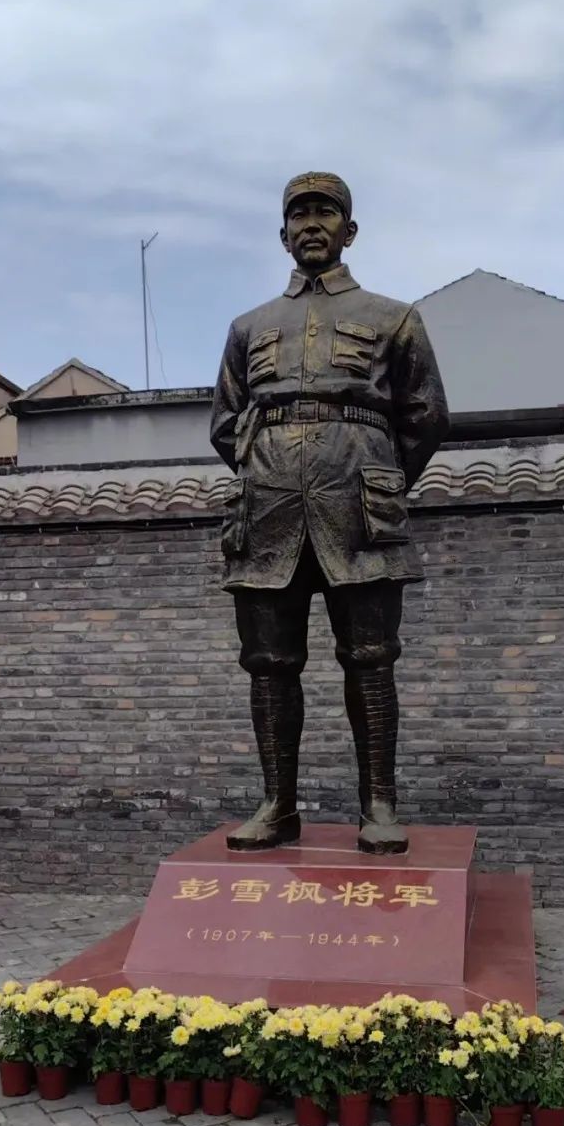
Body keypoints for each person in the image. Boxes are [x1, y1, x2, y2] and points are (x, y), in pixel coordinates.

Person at [211, 172, 448, 854]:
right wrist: (273, 469)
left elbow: (427, 416)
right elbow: (225, 424)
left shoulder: (394, 318)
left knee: (371, 659)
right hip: (268, 510)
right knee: (268, 661)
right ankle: (277, 804)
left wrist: (377, 476)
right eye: (299, 215)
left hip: (361, 507)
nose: (311, 225)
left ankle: (379, 804)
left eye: (325, 213)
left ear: (349, 230)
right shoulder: (248, 327)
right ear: (283, 233)